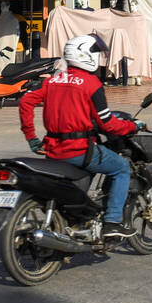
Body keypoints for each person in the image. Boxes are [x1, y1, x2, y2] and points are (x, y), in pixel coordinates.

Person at [18, 35, 139, 240]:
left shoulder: (52, 81)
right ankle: (112, 222)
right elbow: (107, 123)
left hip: (53, 151)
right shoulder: (91, 83)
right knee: (121, 168)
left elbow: (25, 102)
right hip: (80, 151)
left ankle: (77, 218)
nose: (98, 58)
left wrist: (32, 138)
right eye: (95, 53)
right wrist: (131, 126)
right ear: (84, 55)